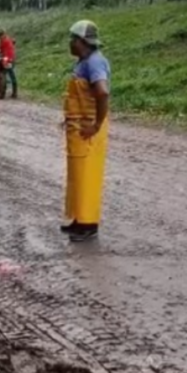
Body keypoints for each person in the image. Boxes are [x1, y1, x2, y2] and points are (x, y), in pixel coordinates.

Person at [62, 20, 111, 242]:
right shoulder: (84, 61)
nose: (70, 43)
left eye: (73, 39)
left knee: (87, 177)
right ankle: (78, 219)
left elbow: (102, 93)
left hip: (89, 130)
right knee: (77, 177)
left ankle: (88, 225)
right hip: (79, 127)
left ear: (82, 42)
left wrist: (97, 124)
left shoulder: (95, 63)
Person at [0, 29, 18, 99]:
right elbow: (13, 42)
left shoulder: (2, 41)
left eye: (0, 36)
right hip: (12, 59)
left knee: (1, 74)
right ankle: (14, 93)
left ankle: (2, 92)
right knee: (12, 75)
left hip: (6, 59)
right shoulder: (8, 39)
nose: (1, 37)